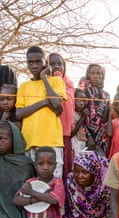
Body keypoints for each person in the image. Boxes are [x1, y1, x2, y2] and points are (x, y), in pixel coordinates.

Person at [16, 46, 66, 178]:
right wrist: (44, 102)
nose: (34, 66)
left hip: (52, 142)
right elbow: (19, 113)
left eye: (38, 62)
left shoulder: (56, 81)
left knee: (53, 186)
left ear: (45, 63)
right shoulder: (24, 86)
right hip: (29, 142)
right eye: (30, 62)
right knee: (30, 185)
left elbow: (56, 103)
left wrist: (44, 78)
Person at [10, 146, 65, 218]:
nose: (45, 167)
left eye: (49, 163)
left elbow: (54, 200)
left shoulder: (57, 183)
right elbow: (16, 200)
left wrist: (31, 193)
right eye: (41, 163)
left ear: (55, 165)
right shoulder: (31, 182)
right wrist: (37, 197)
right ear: (35, 165)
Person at [64, 150, 111, 218]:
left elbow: (111, 210)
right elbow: (71, 209)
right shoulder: (71, 181)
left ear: (94, 172)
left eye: (85, 172)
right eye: (76, 171)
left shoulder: (106, 182)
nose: (79, 176)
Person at [48, 52, 75, 182]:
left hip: (65, 134)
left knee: (65, 169)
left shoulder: (69, 85)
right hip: (50, 134)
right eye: (52, 64)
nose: (56, 67)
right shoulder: (45, 84)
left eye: (59, 64)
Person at [82, 63, 111, 155]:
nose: (95, 76)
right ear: (88, 75)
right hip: (84, 136)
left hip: (101, 137)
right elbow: (78, 116)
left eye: (98, 73)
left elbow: (106, 118)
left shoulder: (106, 95)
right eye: (92, 73)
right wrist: (88, 136)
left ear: (103, 76)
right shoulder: (82, 93)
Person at [71, 88, 89, 157]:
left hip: (81, 145)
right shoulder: (71, 113)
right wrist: (82, 117)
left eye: (84, 101)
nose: (82, 103)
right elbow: (71, 133)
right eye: (79, 100)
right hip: (74, 144)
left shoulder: (80, 113)